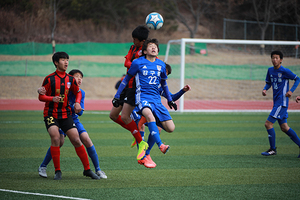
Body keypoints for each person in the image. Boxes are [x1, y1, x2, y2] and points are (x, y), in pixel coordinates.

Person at [113, 38, 177, 168]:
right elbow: (126, 80)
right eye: (150, 46)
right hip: (142, 98)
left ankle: (146, 151)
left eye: (155, 47)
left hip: (157, 101)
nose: (153, 48)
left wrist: (170, 99)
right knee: (149, 116)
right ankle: (161, 146)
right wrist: (117, 95)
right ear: (145, 50)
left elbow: (164, 84)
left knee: (170, 128)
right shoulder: (138, 63)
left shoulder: (161, 65)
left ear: (158, 50)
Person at [38, 52, 99, 180]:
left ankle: (87, 170)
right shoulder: (49, 79)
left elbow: (78, 92)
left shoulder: (70, 80)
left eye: (67, 60)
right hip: (51, 114)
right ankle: (57, 171)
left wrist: (77, 102)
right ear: (56, 62)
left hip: (65, 114)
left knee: (76, 139)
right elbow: (41, 96)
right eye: (63, 60)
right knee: (56, 138)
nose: (66, 62)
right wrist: (51, 98)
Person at [109, 25, 150, 161]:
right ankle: (137, 133)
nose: (133, 42)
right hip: (126, 84)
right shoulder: (133, 48)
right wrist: (131, 63)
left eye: (135, 40)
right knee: (113, 115)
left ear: (142, 41)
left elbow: (134, 65)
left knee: (126, 116)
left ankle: (141, 142)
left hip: (135, 87)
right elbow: (126, 63)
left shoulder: (146, 51)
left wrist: (131, 63)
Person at [261, 50, 300, 158]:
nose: (274, 60)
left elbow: (297, 79)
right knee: (284, 127)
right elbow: (269, 82)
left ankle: (272, 149)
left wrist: (291, 91)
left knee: (268, 124)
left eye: (277, 58)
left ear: (281, 60)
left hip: (281, 103)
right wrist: (265, 89)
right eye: (273, 58)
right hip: (276, 103)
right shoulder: (270, 70)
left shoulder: (284, 71)